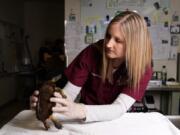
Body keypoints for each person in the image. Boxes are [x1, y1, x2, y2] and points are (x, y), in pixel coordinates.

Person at [30, 11, 153, 122]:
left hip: (118, 120)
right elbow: (68, 94)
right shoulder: (91, 53)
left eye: (118, 40)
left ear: (134, 45)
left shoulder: (143, 67)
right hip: (86, 119)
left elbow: (119, 108)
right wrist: (47, 104)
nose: (109, 44)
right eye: (108, 36)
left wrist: (80, 110)